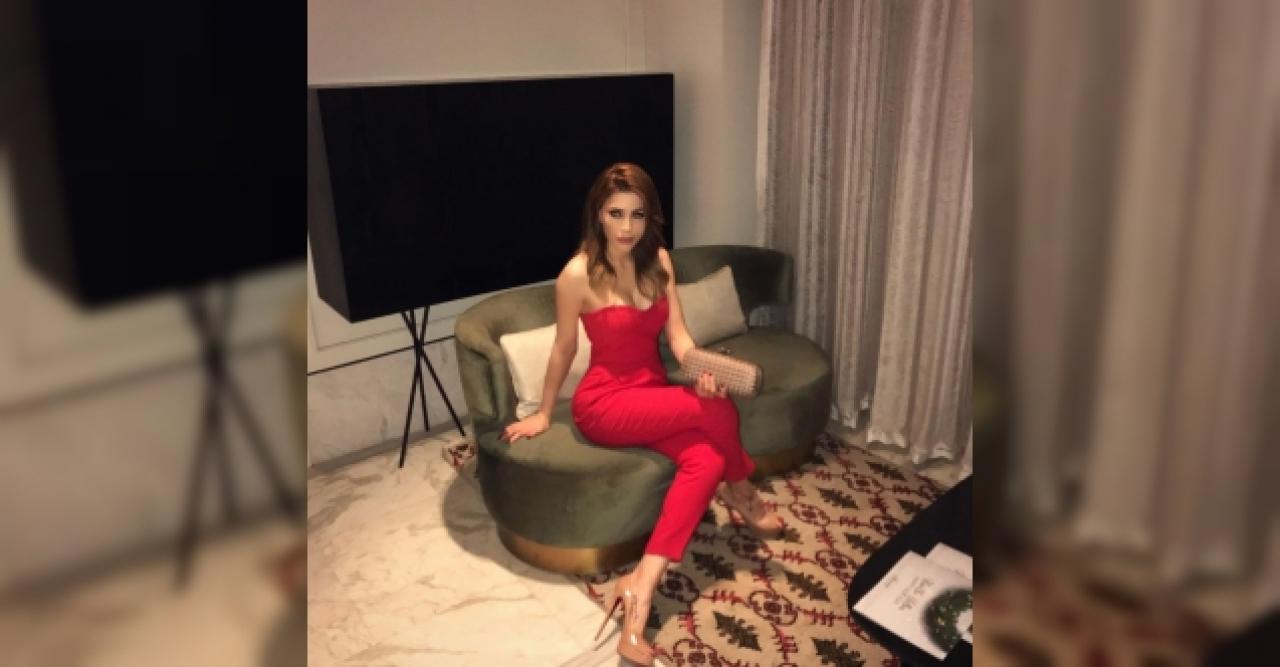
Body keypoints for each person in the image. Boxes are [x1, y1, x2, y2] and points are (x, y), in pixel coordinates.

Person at [499, 162, 783, 665]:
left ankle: (640, 584)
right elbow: (564, 349)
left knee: (707, 457)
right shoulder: (576, 275)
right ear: (598, 214)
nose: (627, 227)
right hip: (604, 404)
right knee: (713, 412)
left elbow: (680, 339)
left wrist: (702, 370)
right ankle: (742, 489)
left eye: (637, 214)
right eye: (616, 214)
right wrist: (543, 412)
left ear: (651, 216)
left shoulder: (660, 262)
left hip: (649, 392)